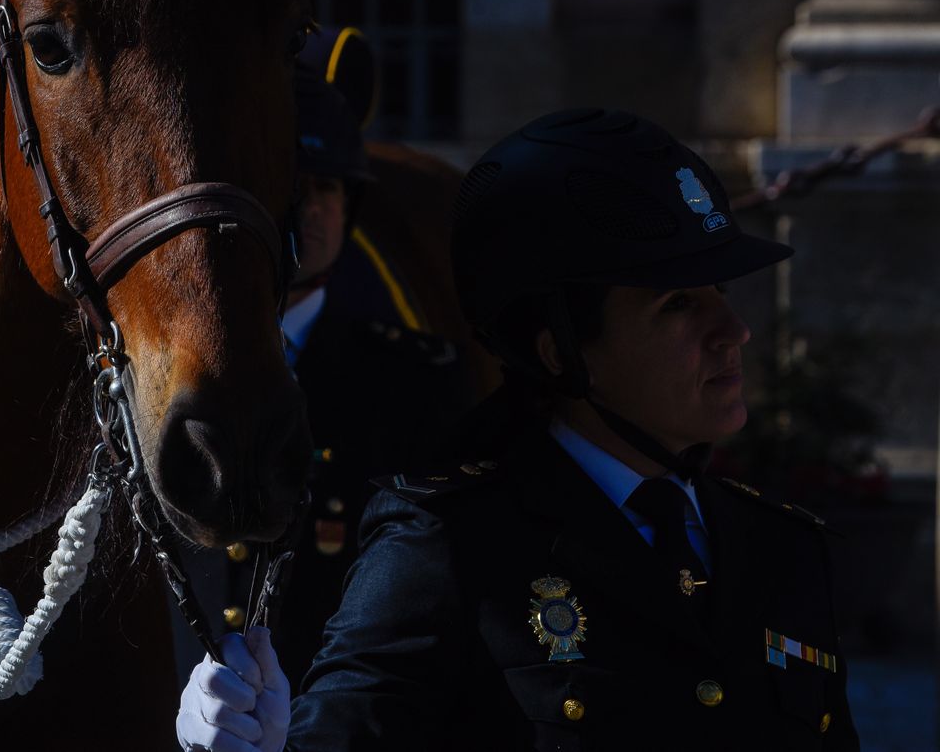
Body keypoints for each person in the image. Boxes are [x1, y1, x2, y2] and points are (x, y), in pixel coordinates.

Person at [177, 108, 858, 751]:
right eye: (678, 303)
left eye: (723, 295)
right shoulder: (449, 545)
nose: (733, 332)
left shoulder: (785, 549)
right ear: (557, 350)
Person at [175, 50, 466, 692]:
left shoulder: (416, 381)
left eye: (330, 187)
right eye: (294, 182)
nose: (312, 206)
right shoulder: (168, 368)